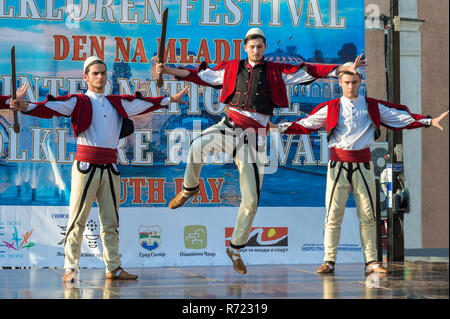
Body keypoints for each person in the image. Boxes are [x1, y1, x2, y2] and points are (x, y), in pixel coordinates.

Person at [155, 28, 365, 274]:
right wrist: (167, 70)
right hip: (230, 126)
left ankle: (235, 249)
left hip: (255, 138)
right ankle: (189, 189)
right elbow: (200, 75)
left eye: (260, 46)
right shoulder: (232, 68)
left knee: (251, 200)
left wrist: (341, 69)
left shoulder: (277, 71)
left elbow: (309, 71)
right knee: (196, 145)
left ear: (264, 48)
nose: (256, 50)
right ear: (245, 48)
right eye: (252, 46)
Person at [3, 56, 188, 282]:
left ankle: (114, 267)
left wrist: (170, 99)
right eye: (95, 73)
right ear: (86, 77)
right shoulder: (78, 101)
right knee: (77, 219)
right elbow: (50, 108)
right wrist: (25, 106)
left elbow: (146, 103)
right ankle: (70, 266)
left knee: (111, 221)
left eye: (103, 72)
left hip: (110, 167)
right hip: (86, 166)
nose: (100, 76)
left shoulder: (116, 102)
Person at [273, 65, 448, 274]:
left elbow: (400, 118)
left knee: (368, 215)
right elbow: (307, 124)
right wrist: (280, 127)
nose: (350, 86)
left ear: (360, 82)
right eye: (346, 82)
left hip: (363, 164)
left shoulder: (372, 106)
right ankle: (329, 260)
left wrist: (428, 121)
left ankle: (372, 261)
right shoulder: (332, 106)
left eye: (354, 82)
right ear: (339, 83)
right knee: (332, 215)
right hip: (337, 164)